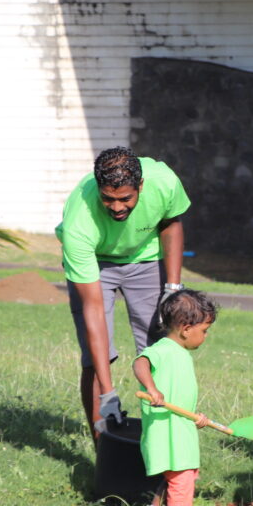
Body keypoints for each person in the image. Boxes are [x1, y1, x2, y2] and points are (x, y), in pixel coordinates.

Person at [56, 146, 191, 440]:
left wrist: (172, 287)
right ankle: (104, 449)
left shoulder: (163, 181)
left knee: (158, 352)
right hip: (96, 261)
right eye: (108, 199)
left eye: (125, 199)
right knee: (97, 357)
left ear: (140, 186)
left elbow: (171, 223)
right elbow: (94, 311)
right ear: (97, 188)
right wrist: (108, 392)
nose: (116, 207)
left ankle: (159, 445)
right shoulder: (79, 221)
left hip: (146, 258)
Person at [133, 289, 216, 506]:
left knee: (180, 471)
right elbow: (140, 362)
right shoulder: (164, 348)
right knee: (181, 474)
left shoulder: (179, 353)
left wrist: (195, 417)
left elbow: (181, 396)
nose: (206, 336)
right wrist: (152, 388)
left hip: (181, 426)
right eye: (204, 330)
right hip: (166, 428)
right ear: (185, 328)